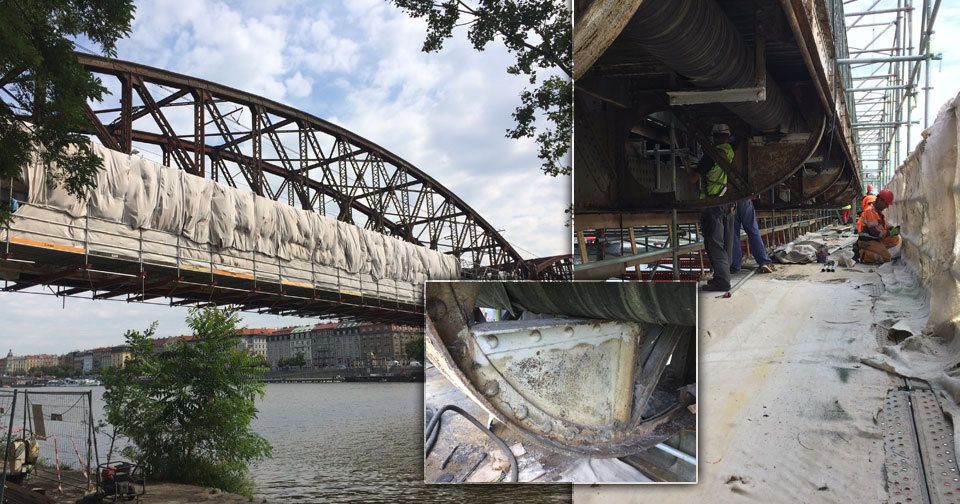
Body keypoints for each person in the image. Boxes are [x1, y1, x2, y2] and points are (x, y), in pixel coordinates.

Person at [689, 124, 736, 291]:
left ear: (714, 137)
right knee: (725, 244)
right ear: (728, 137)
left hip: (713, 204)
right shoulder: (730, 152)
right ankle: (721, 276)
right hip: (727, 203)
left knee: (714, 244)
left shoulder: (712, 154)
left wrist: (689, 166)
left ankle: (722, 282)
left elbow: (694, 178)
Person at [731, 196, 775, 274]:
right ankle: (764, 261)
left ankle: (735, 265)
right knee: (753, 232)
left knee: (733, 235)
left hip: (730, 203)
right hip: (744, 199)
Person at [856, 188, 901, 264]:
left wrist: (891, 227)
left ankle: (878, 249)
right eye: (886, 204)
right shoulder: (870, 211)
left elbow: (883, 224)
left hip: (875, 239)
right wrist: (889, 233)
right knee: (886, 258)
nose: (887, 206)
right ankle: (863, 254)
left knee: (895, 239)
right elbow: (875, 233)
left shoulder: (878, 212)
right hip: (867, 240)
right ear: (880, 200)